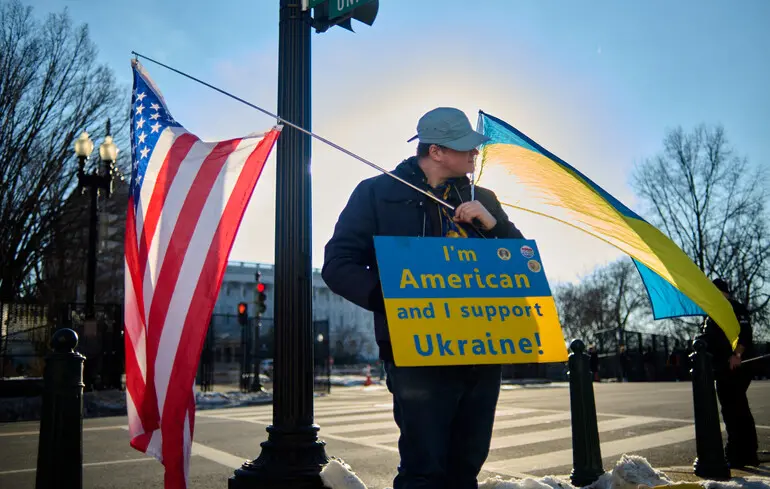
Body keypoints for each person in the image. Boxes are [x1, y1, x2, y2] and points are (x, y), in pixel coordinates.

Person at [322, 107, 525, 489]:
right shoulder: (376, 194)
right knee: (424, 468)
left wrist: (493, 224)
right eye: (465, 147)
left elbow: (521, 265)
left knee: (466, 467)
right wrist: (394, 297)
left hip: (483, 348)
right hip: (417, 349)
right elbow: (337, 264)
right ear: (436, 151)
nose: (475, 153)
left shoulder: (484, 198)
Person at [700, 277, 759, 468]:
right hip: (722, 368)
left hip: (737, 365)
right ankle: (742, 452)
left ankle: (741, 453)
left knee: (736, 408)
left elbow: (745, 334)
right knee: (732, 408)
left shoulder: (734, 307)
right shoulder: (712, 312)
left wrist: (737, 355)